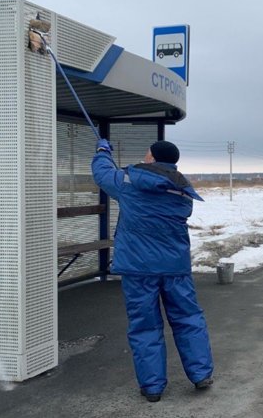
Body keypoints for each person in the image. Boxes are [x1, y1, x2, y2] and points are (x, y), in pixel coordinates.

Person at [92, 139, 214, 403]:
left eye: (147, 153)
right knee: (189, 319)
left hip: (139, 269)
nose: (144, 155)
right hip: (175, 267)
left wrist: (103, 152)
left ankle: (153, 387)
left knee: (145, 326)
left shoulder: (128, 181)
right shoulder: (182, 187)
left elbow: (102, 174)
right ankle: (201, 374)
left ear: (152, 158)